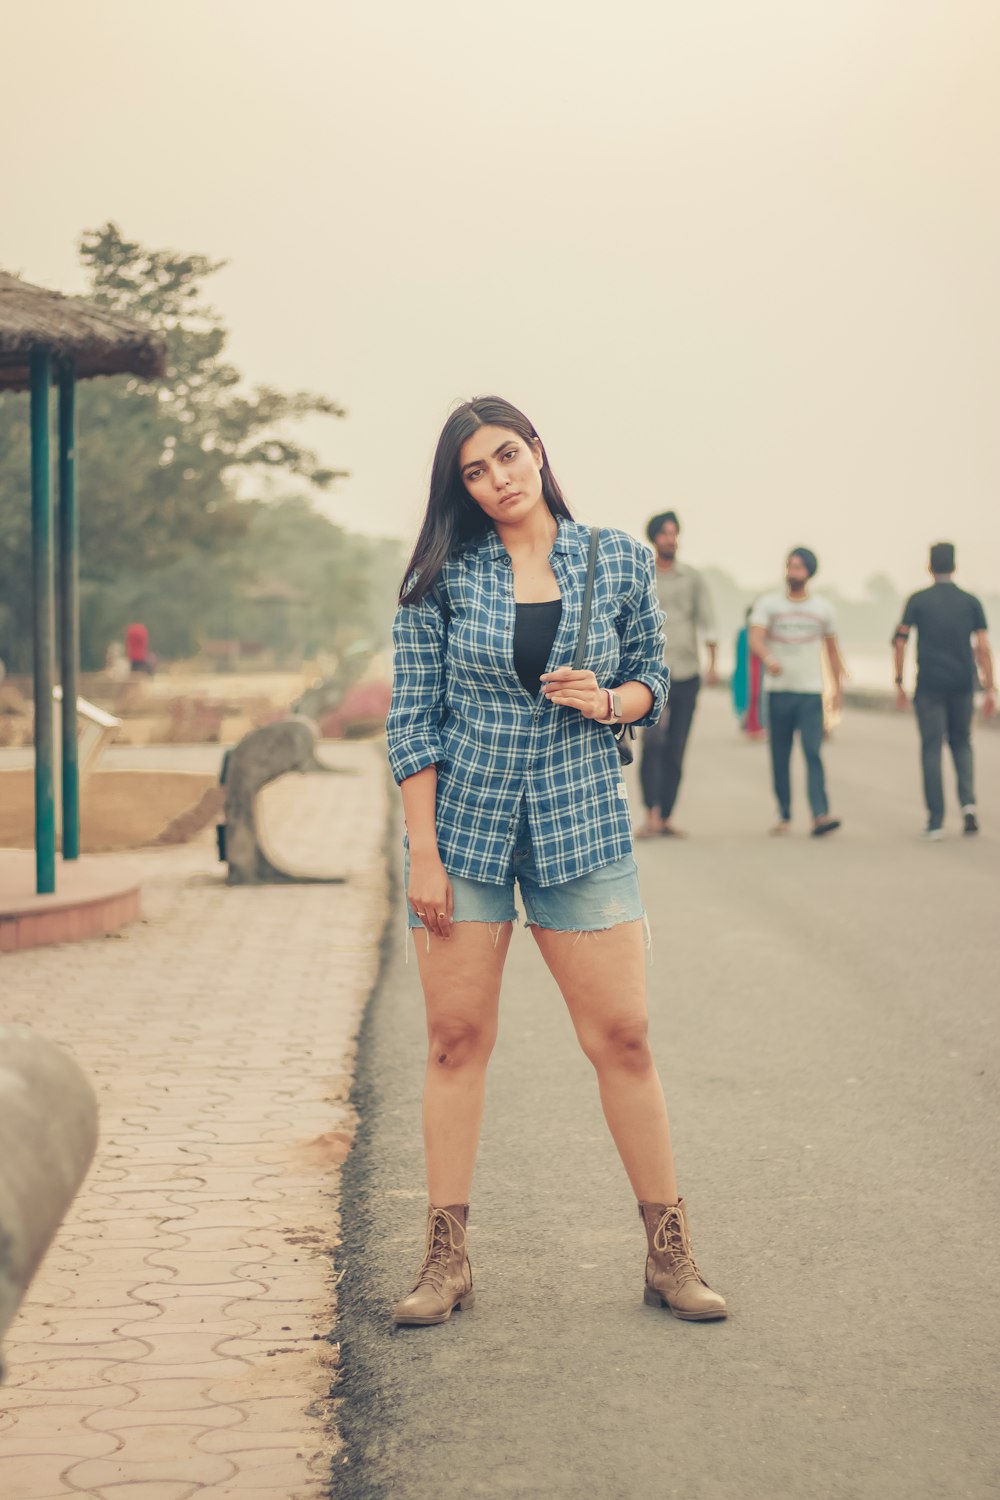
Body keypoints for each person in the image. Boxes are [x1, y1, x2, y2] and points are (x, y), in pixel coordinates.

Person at [385, 396, 728, 1328]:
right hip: (468, 833)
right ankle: (445, 1262)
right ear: (461, 487)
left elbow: (656, 681)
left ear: (538, 452)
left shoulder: (615, 556)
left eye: (508, 456)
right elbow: (412, 723)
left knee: (623, 1037)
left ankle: (669, 1256)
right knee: (456, 1040)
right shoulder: (440, 580)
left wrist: (608, 700)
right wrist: (424, 855)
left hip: (582, 824)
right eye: (476, 471)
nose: (499, 479)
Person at [892, 542, 995, 839]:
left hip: (929, 686)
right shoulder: (970, 601)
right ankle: (969, 805)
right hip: (963, 684)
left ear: (929, 566)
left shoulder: (918, 600)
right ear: (954, 566)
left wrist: (899, 681)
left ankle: (936, 820)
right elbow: (984, 647)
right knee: (962, 743)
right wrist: (990, 688)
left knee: (931, 748)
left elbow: (900, 641)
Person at [749, 548, 845, 836]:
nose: (793, 572)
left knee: (813, 752)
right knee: (780, 754)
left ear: (810, 573)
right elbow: (755, 636)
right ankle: (784, 812)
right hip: (778, 691)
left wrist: (837, 690)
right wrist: (768, 658)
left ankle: (820, 814)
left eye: (799, 567)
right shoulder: (769, 604)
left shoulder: (823, 609)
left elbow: (832, 651)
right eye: (790, 566)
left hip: (810, 692)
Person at [637, 511, 718, 838]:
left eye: (675, 533)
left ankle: (667, 816)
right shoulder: (643, 574)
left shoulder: (692, 578)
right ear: (654, 538)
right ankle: (650, 813)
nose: (671, 539)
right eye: (665, 533)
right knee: (653, 742)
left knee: (676, 747)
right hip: (650, 673)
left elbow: (708, 620)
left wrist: (712, 663)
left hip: (686, 673)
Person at [731, 607, 766, 740]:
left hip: (757, 668)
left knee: (757, 696)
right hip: (745, 670)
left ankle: (757, 725)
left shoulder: (758, 633)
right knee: (747, 697)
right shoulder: (743, 633)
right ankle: (750, 725)